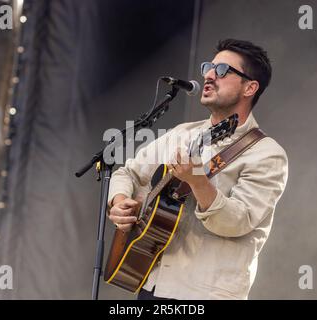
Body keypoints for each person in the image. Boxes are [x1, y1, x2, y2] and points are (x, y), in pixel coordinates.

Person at [107, 39, 289, 300]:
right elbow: (128, 173)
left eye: (223, 70)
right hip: (153, 283)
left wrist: (198, 182)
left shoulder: (266, 154)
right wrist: (121, 201)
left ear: (250, 87)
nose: (209, 75)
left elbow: (238, 222)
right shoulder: (183, 133)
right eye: (208, 67)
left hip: (205, 292)